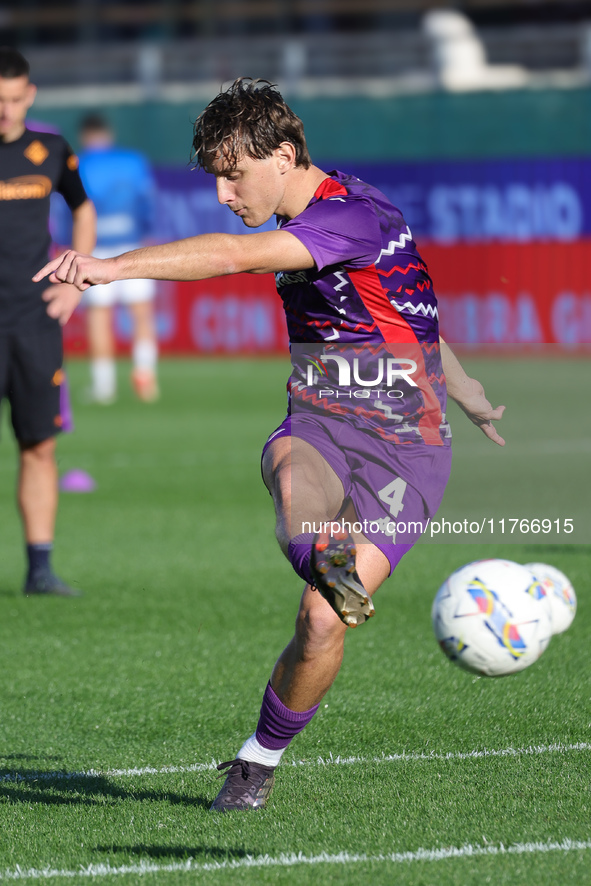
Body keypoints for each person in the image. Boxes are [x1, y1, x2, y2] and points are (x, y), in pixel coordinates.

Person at [35, 78, 505, 804]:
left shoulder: (348, 217)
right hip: (320, 419)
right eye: (217, 177)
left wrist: (112, 266)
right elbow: (411, 315)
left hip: (407, 446)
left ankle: (259, 760)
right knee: (294, 472)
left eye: (234, 173)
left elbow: (232, 255)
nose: (225, 192)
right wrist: (470, 390)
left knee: (320, 621)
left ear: (283, 155)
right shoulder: (358, 213)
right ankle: (324, 554)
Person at [0, 47, 96, 596]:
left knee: (39, 446)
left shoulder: (52, 149)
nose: (7, 110)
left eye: (16, 99)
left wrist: (74, 279)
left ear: (29, 95)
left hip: (34, 323)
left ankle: (39, 569)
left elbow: (82, 208)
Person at [77, 113, 159, 404]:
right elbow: (148, 200)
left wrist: (71, 244)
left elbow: (72, 208)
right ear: (108, 133)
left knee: (99, 318)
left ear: (85, 135)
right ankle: (145, 379)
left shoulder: (80, 163)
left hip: (95, 249)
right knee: (142, 315)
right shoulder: (133, 161)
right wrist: (148, 231)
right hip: (134, 245)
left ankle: (104, 387)